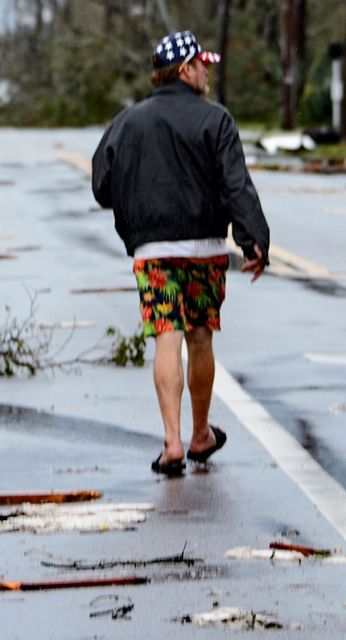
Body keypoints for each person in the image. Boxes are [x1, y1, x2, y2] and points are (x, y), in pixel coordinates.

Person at [90, 30, 272, 477]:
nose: (207, 70)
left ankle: (171, 443)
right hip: (205, 250)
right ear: (184, 69)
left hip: (152, 252)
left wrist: (139, 202)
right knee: (200, 336)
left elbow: (101, 186)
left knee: (165, 336)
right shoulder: (216, 121)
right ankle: (200, 434)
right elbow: (236, 185)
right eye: (201, 64)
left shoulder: (127, 122)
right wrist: (254, 240)